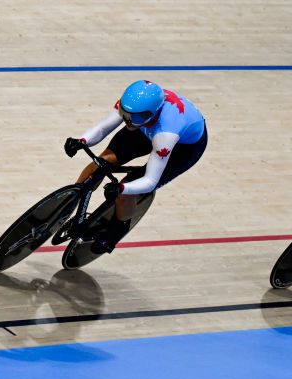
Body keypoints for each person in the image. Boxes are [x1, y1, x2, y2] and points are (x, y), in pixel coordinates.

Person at [64, 80, 208, 254]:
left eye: (136, 117)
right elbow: (103, 127)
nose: (129, 121)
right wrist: (82, 141)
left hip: (182, 149)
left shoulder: (166, 133)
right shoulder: (134, 106)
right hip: (145, 130)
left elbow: (150, 180)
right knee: (102, 161)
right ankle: (69, 200)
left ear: (152, 113)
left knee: (126, 193)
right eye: (125, 113)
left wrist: (122, 187)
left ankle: (117, 230)